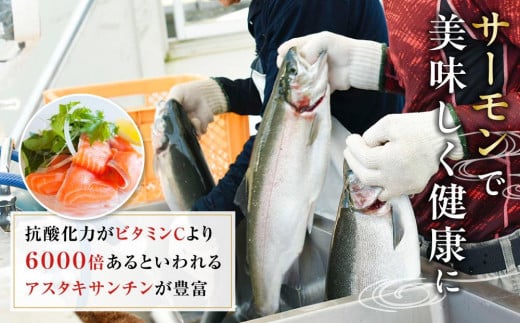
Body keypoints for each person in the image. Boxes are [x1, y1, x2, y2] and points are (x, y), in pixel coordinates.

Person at [278, 0, 520, 294]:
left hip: (503, 268)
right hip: (429, 251)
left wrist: (447, 135)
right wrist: (366, 63)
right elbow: (450, 67)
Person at [159, 0, 402, 224]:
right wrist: (222, 94)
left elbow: (281, 136)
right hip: (330, 180)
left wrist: (208, 220)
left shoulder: (303, 4)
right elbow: (287, 89)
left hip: (365, 194)